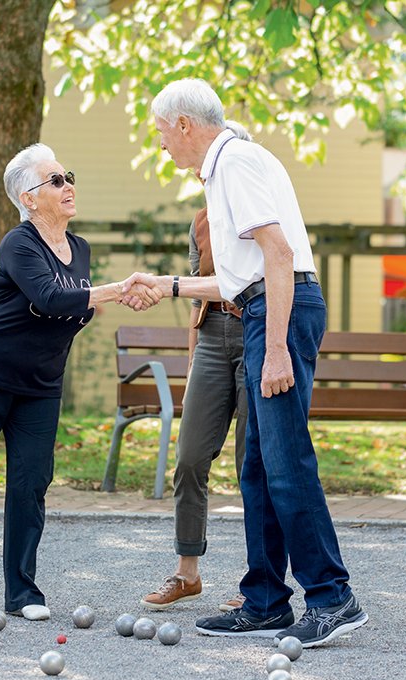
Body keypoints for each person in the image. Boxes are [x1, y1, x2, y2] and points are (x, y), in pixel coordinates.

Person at [129, 78, 368, 648]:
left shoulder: (233, 162)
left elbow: (279, 255)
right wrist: (167, 284)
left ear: (185, 125)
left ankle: (333, 596)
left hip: (278, 313)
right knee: (258, 466)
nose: (163, 146)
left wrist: (278, 345)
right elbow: (238, 276)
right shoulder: (227, 167)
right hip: (264, 304)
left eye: (162, 134)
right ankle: (264, 600)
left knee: (285, 461)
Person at [0, 144, 163, 620]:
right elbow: (50, 295)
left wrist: (115, 298)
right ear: (29, 197)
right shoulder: (18, 244)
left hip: (41, 382)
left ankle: (22, 593)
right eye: (56, 181)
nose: (68, 187)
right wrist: (115, 291)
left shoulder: (79, 248)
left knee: (30, 483)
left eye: (69, 176)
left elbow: (71, 308)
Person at [141, 122, 252, 613]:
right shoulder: (201, 222)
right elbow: (196, 291)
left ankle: (261, 580)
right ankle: (187, 572)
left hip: (253, 333)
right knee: (189, 458)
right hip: (211, 337)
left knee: (256, 463)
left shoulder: (260, 209)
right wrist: (191, 363)